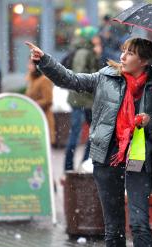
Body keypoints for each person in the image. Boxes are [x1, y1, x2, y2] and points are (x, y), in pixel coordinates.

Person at [26, 37, 152, 247]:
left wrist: (150, 123)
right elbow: (71, 80)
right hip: (107, 156)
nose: (124, 55)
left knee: (139, 222)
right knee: (113, 225)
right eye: (124, 50)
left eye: (131, 53)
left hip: (139, 157)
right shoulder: (107, 77)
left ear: (146, 61)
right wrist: (44, 60)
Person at [63, 27, 100, 172]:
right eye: (95, 36)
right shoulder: (84, 52)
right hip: (83, 100)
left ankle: (81, 164)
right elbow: (80, 76)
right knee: (82, 133)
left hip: (83, 99)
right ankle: (72, 166)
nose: (98, 39)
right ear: (90, 38)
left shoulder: (86, 50)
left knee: (86, 133)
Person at [25, 59, 56, 145]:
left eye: (30, 64)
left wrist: (33, 104)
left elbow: (48, 100)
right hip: (33, 118)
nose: (28, 66)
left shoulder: (44, 80)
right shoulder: (31, 78)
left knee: (42, 145)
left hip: (43, 118)